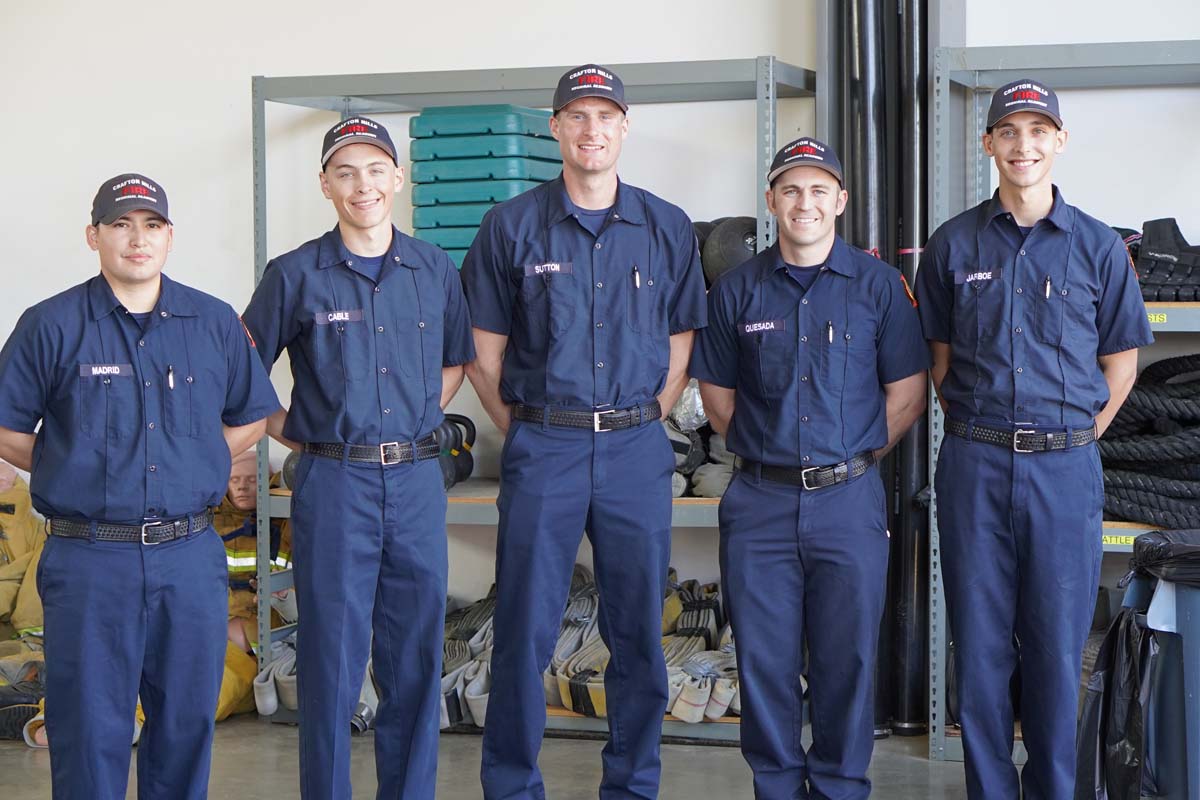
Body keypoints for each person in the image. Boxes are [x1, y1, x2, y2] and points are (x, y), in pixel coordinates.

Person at [460, 63, 708, 799]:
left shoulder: (664, 225)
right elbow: (482, 353)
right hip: (547, 445)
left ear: (624, 127)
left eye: (605, 116)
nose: (592, 129)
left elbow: (682, 345)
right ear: (556, 127)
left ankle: (631, 785)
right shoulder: (511, 226)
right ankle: (510, 785)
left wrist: (646, 418)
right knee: (526, 628)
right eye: (578, 116)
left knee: (637, 629)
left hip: (635, 446)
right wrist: (531, 430)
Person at [0, 173, 279, 799]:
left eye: (151, 225)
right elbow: (5, 426)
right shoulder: (51, 324)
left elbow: (253, 415)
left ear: (170, 237)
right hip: (90, 558)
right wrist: (64, 464)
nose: (137, 239)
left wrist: (200, 459)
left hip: (188, 555)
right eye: (121, 224)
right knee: (89, 728)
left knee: (184, 724)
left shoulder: (212, 322)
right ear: (93, 235)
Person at [914, 79, 1153, 799]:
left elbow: (1121, 363)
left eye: (1038, 131)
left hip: (1064, 470)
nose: (1024, 145)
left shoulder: (1100, 247)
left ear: (1060, 143)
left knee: (1054, 647)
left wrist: (1075, 438)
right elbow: (940, 363)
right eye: (1009, 131)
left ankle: (1053, 789)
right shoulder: (953, 244)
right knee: (982, 645)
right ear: (988, 143)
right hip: (974, 465)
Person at [241, 116, 475, 800]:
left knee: (414, 659)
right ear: (325, 185)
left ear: (398, 179)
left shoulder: (433, 268)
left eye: (375, 170)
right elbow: (240, 377)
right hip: (334, 484)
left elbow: (456, 361)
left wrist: (412, 424)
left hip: (415, 481)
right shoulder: (294, 276)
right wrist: (301, 436)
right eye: (345, 172)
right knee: (331, 664)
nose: (362, 185)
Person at [691, 137, 928, 799]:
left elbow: (905, 395)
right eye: (791, 189)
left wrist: (846, 461)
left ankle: (839, 786)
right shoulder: (736, 290)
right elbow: (717, 399)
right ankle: (775, 785)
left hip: (848, 502)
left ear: (840, 201)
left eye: (819, 189)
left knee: (845, 661)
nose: (805, 201)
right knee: (763, 662)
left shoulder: (880, 287)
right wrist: (774, 454)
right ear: (771, 201)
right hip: (759, 501)